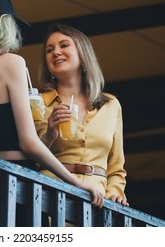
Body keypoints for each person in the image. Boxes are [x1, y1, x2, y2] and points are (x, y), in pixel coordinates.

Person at [0, 0, 104, 226]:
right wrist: (76, 182)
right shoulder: (11, 63)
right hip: (18, 185)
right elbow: (28, 143)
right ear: (4, 24)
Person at [36, 23, 129, 206]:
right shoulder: (36, 102)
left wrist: (114, 195)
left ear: (83, 53)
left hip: (99, 202)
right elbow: (28, 155)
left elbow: (116, 168)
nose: (55, 52)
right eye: (49, 50)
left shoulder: (111, 105)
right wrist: (50, 134)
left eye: (64, 45)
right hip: (51, 196)